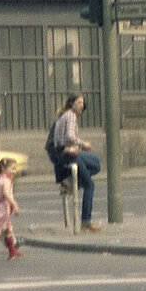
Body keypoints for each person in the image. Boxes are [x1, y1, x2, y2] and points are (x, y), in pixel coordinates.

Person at [49, 94, 103, 232]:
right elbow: (70, 136)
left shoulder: (65, 115)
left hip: (64, 153)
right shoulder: (71, 116)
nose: (80, 105)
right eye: (78, 102)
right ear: (72, 103)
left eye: (82, 103)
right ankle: (86, 221)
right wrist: (83, 144)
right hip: (67, 154)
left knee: (96, 163)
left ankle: (70, 181)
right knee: (90, 185)